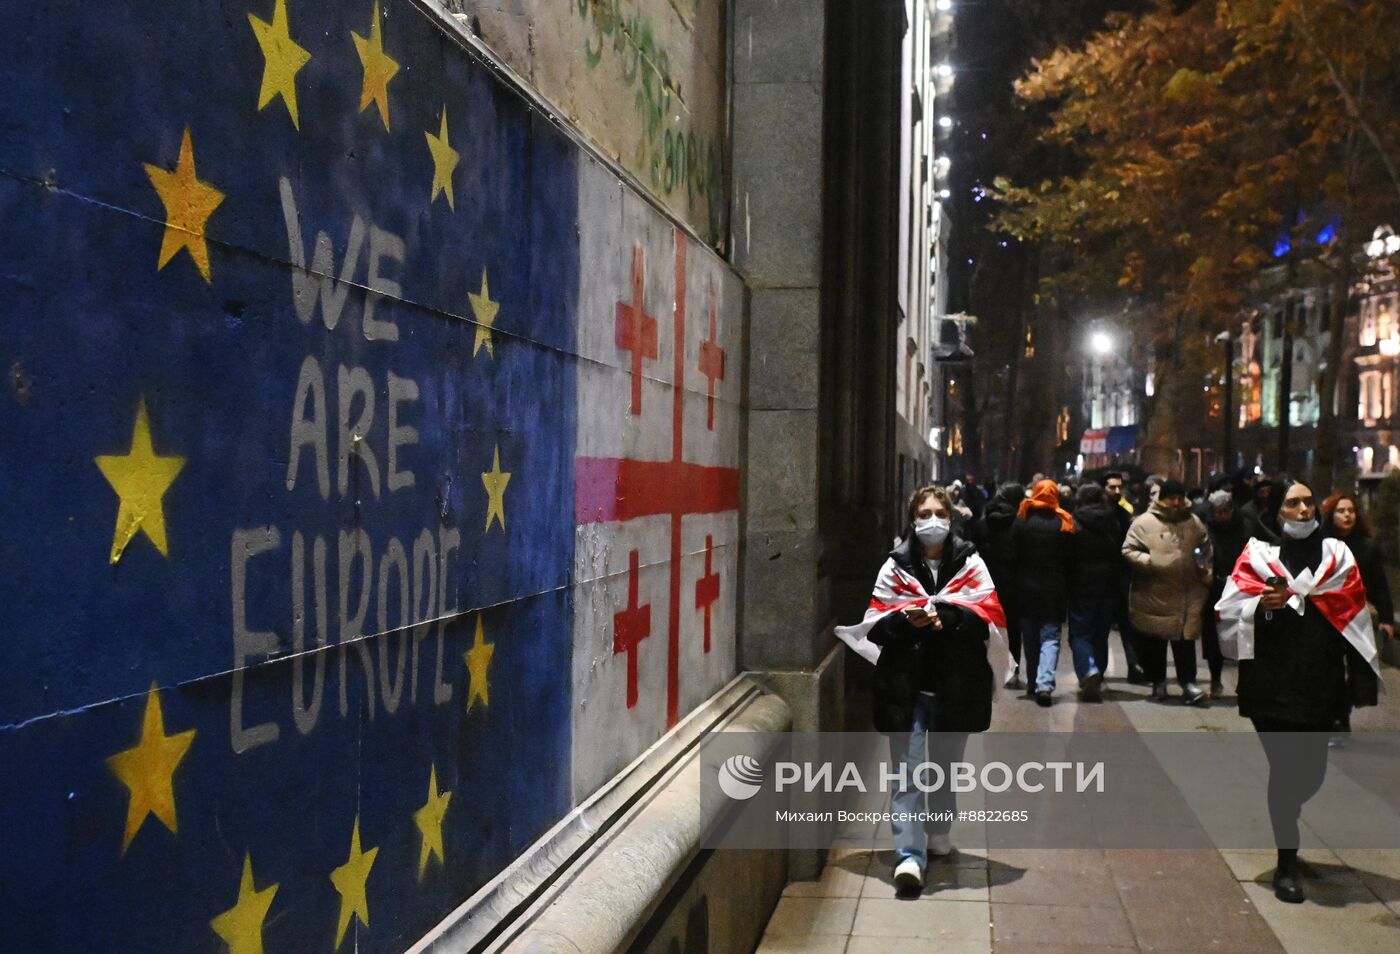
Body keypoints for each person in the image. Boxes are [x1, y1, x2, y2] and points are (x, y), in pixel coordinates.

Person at [834, 485, 1008, 894]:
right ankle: (909, 857)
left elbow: (989, 619)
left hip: (954, 689)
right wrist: (904, 623)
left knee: (945, 772)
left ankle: (939, 831)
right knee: (907, 775)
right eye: (924, 513)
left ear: (950, 518)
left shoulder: (971, 565)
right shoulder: (894, 567)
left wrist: (947, 618)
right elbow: (875, 624)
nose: (932, 521)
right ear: (912, 520)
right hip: (906, 689)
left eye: (939, 513)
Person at [1215, 480, 1381, 903]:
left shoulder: (1337, 557)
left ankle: (1287, 814)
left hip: (1320, 683)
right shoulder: (1258, 556)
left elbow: (1355, 615)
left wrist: (1360, 681)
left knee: (1311, 773)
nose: (1304, 509)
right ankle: (1287, 861)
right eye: (1294, 503)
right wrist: (1259, 608)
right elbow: (1227, 611)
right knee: (1286, 771)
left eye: (1309, 501)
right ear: (1279, 512)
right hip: (1269, 685)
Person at [1122, 479, 1212, 705]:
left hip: (1187, 592)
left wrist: (1203, 568)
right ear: (1162, 498)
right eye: (1172, 497)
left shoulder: (1193, 522)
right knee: (1156, 641)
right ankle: (1158, 682)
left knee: (1185, 640)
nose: (1176, 502)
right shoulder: (1144, 523)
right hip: (1156, 591)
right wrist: (1150, 561)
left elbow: (1205, 547)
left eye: (1180, 498)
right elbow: (1128, 549)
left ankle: (1188, 684)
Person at [1321, 491, 1395, 741]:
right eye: (1341, 511)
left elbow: (1379, 584)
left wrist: (1386, 618)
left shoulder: (1367, 547)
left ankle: (1343, 714)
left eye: (1351, 511)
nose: (1347, 515)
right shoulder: (1322, 544)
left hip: (1357, 617)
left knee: (1358, 671)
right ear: (1331, 515)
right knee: (1330, 670)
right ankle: (1336, 718)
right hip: (1327, 616)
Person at [1012, 478, 1077, 706]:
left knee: (1029, 638)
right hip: (1054, 590)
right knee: (1050, 638)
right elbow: (1070, 560)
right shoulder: (1064, 522)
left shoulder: (1022, 521)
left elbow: (1014, 556)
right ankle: (1045, 684)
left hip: (1026, 589)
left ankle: (1032, 681)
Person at [1067, 484, 1120, 701]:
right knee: (1101, 633)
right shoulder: (1112, 521)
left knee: (1080, 632)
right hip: (1108, 585)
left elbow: (1068, 556)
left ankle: (1088, 669)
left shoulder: (1074, 522)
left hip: (1081, 585)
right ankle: (1097, 674)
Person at [970, 483, 1026, 687]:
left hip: (986, 584)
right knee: (1012, 628)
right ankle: (1013, 671)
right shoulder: (1019, 525)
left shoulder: (981, 524)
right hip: (1013, 583)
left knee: (987, 626)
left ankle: (988, 668)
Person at [1202, 489, 1250, 698]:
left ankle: (1244, 682)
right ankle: (1215, 679)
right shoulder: (1205, 530)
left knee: (1242, 635)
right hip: (1214, 588)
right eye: (1218, 512)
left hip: (1239, 587)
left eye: (1225, 511)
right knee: (1214, 637)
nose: (1222, 516)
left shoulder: (1245, 528)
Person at [1102, 471, 1147, 683]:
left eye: (1119, 487)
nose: (1117, 491)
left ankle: (1134, 665)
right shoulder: (1099, 513)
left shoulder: (1124, 513)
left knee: (1128, 623)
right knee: (1101, 626)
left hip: (1122, 577)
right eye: (1112, 487)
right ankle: (1098, 669)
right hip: (1103, 578)